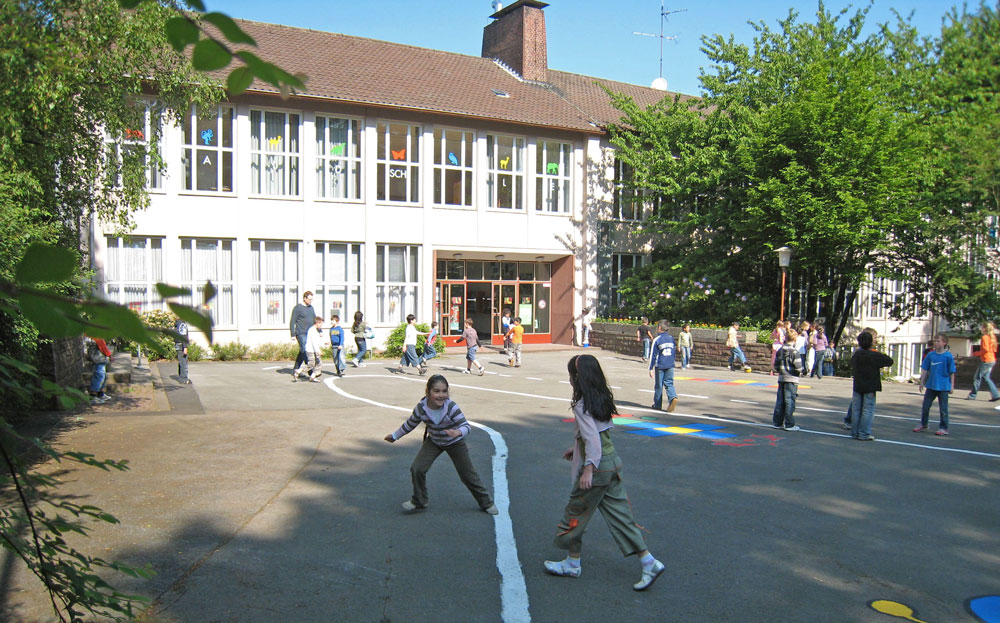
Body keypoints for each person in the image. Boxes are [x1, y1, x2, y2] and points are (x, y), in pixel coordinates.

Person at [544, 354, 665, 592]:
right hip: (612, 463)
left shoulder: (581, 405)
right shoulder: (600, 398)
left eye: (571, 375)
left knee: (576, 512)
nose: (570, 380)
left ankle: (572, 562)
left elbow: (593, 440)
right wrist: (576, 448)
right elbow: (601, 433)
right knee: (620, 516)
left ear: (578, 378)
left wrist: (588, 467)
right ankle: (648, 561)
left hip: (598, 468)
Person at [383, 374, 498, 515]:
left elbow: (466, 426)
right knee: (417, 468)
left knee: (468, 474)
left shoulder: (451, 407)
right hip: (435, 441)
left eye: (444, 391)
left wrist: (458, 432)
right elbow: (410, 424)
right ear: (428, 392)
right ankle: (419, 500)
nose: (441, 395)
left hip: (455, 442)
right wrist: (394, 436)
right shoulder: (421, 408)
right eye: (436, 391)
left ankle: (486, 502)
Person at [849, 331, 894, 441]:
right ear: (871, 343)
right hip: (870, 386)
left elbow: (851, 364)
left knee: (856, 409)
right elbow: (889, 361)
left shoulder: (856, 355)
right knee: (867, 410)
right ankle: (864, 433)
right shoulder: (874, 355)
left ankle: (855, 432)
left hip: (858, 385)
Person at [915, 334, 956, 436]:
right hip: (931, 385)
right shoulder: (930, 355)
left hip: (943, 386)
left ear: (944, 343)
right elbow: (925, 369)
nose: (936, 343)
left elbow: (952, 372)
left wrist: (952, 386)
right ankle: (924, 423)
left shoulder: (948, 356)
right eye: (935, 341)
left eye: (938, 341)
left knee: (943, 409)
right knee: (925, 406)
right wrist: (922, 382)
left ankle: (944, 428)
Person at [842, 327, 878, 429]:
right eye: (874, 337)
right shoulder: (862, 352)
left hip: (867, 380)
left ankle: (855, 421)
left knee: (860, 402)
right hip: (862, 381)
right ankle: (849, 420)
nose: (876, 340)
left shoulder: (870, 352)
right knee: (857, 402)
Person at [772, 329, 803, 431]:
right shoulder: (795, 352)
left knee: (780, 400)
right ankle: (789, 424)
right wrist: (801, 371)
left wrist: (780, 370)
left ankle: (777, 422)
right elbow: (798, 367)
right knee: (790, 401)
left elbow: (776, 365)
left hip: (782, 378)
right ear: (794, 339)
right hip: (792, 379)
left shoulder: (780, 350)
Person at [648, 320, 678, 412]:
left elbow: (653, 354)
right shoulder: (671, 338)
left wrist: (650, 368)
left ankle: (657, 404)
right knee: (669, 383)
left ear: (660, 328)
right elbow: (674, 351)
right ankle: (673, 397)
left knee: (659, 385)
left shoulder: (657, 339)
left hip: (660, 365)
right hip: (670, 364)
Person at [967, 321, 1000, 402]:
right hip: (991, 359)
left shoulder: (985, 337)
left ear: (985, 328)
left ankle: (972, 395)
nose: (980, 328)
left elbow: (985, 350)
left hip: (986, 360)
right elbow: (994, 350)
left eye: (981, 327)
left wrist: (976, 353)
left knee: (977, 377)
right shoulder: (992, 337)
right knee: (986, 377)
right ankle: (996, 395)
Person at [290, 291, 316, 374]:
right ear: (304, 298)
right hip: (301, 333)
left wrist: (319, 330)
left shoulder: (311, 308)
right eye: (309, 299)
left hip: (309, 333)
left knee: (302, 351)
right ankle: (310, 371)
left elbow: (314, 320)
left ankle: (296, 369)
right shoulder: (297, 308)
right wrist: (293, 334)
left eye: (311, 299)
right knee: (305, 350)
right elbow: (292, 321)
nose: (310, 301)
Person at [294, 316, 324, 382]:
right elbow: (314, 342)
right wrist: (318, 351)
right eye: (321, 324)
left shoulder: (315, 330)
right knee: (311, 364)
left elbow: (317, 341)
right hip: (311, 350)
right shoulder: (312, 330)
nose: (321, 325)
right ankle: (299, 371)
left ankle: (313, 376)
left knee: (318, 363)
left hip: (313, 350)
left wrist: (324, 343)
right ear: (317, 323)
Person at [85, 336, 112, 404]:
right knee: (99, 377)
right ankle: (93, 396)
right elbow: (102, 346)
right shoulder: (96, 335)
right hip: (99, 358)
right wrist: (109, 355)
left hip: (96, 358)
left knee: (103, 376)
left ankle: (101, 394)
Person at [174, 316, 191, 384]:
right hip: (181, 345)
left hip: (178, 344)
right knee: (184, 362)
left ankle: (181, 377)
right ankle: (184, 379)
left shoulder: (177, 324)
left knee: (181, 361)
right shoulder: (182, 324)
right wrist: (185, 347)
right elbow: (183, 335)